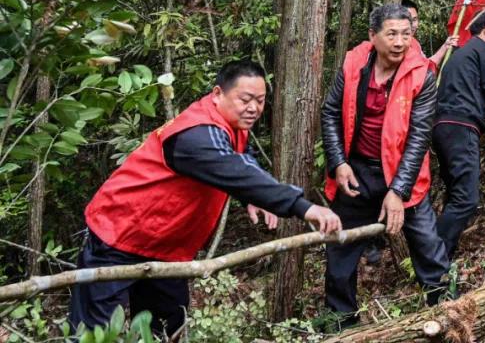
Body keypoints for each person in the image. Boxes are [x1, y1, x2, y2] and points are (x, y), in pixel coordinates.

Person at [69, 60, 341, 338]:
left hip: (167, 247)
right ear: (217, 94)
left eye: (260, 101)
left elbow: (242, 158)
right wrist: (303, 207)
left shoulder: (234, 124)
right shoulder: (196, 135)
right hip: (119, 233)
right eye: (245, 99)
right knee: (93, 331)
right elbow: (230, 167)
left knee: (167, 327)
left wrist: (250, 196)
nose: (254, 108)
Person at [321, 4, 451, 314]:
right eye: (391, 34)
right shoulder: (354, 64)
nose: (399, 42)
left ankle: (447, 312)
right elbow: (330, 112)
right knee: (340, 254)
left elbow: (420, 136)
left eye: (406, 34)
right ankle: (342, 324)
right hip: (357, 172)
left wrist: (398, 191)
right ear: (373, 36)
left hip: (404, 174)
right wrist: (339, 162)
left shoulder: (422, 73)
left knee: (429, 250)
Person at [431, 10, 485, 259]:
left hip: (442, 127)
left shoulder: (460, 55)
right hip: (460, 127)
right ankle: (434, 260)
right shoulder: (483, 50)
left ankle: (442, 259)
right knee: (466, 199)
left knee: (456, 194)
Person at [402, 0, 457, 68]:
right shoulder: (395, 45)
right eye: (408, 20)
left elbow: (426, 66)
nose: (413, 25)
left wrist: (445, 46)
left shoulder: (415, 43)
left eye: (415, 19)